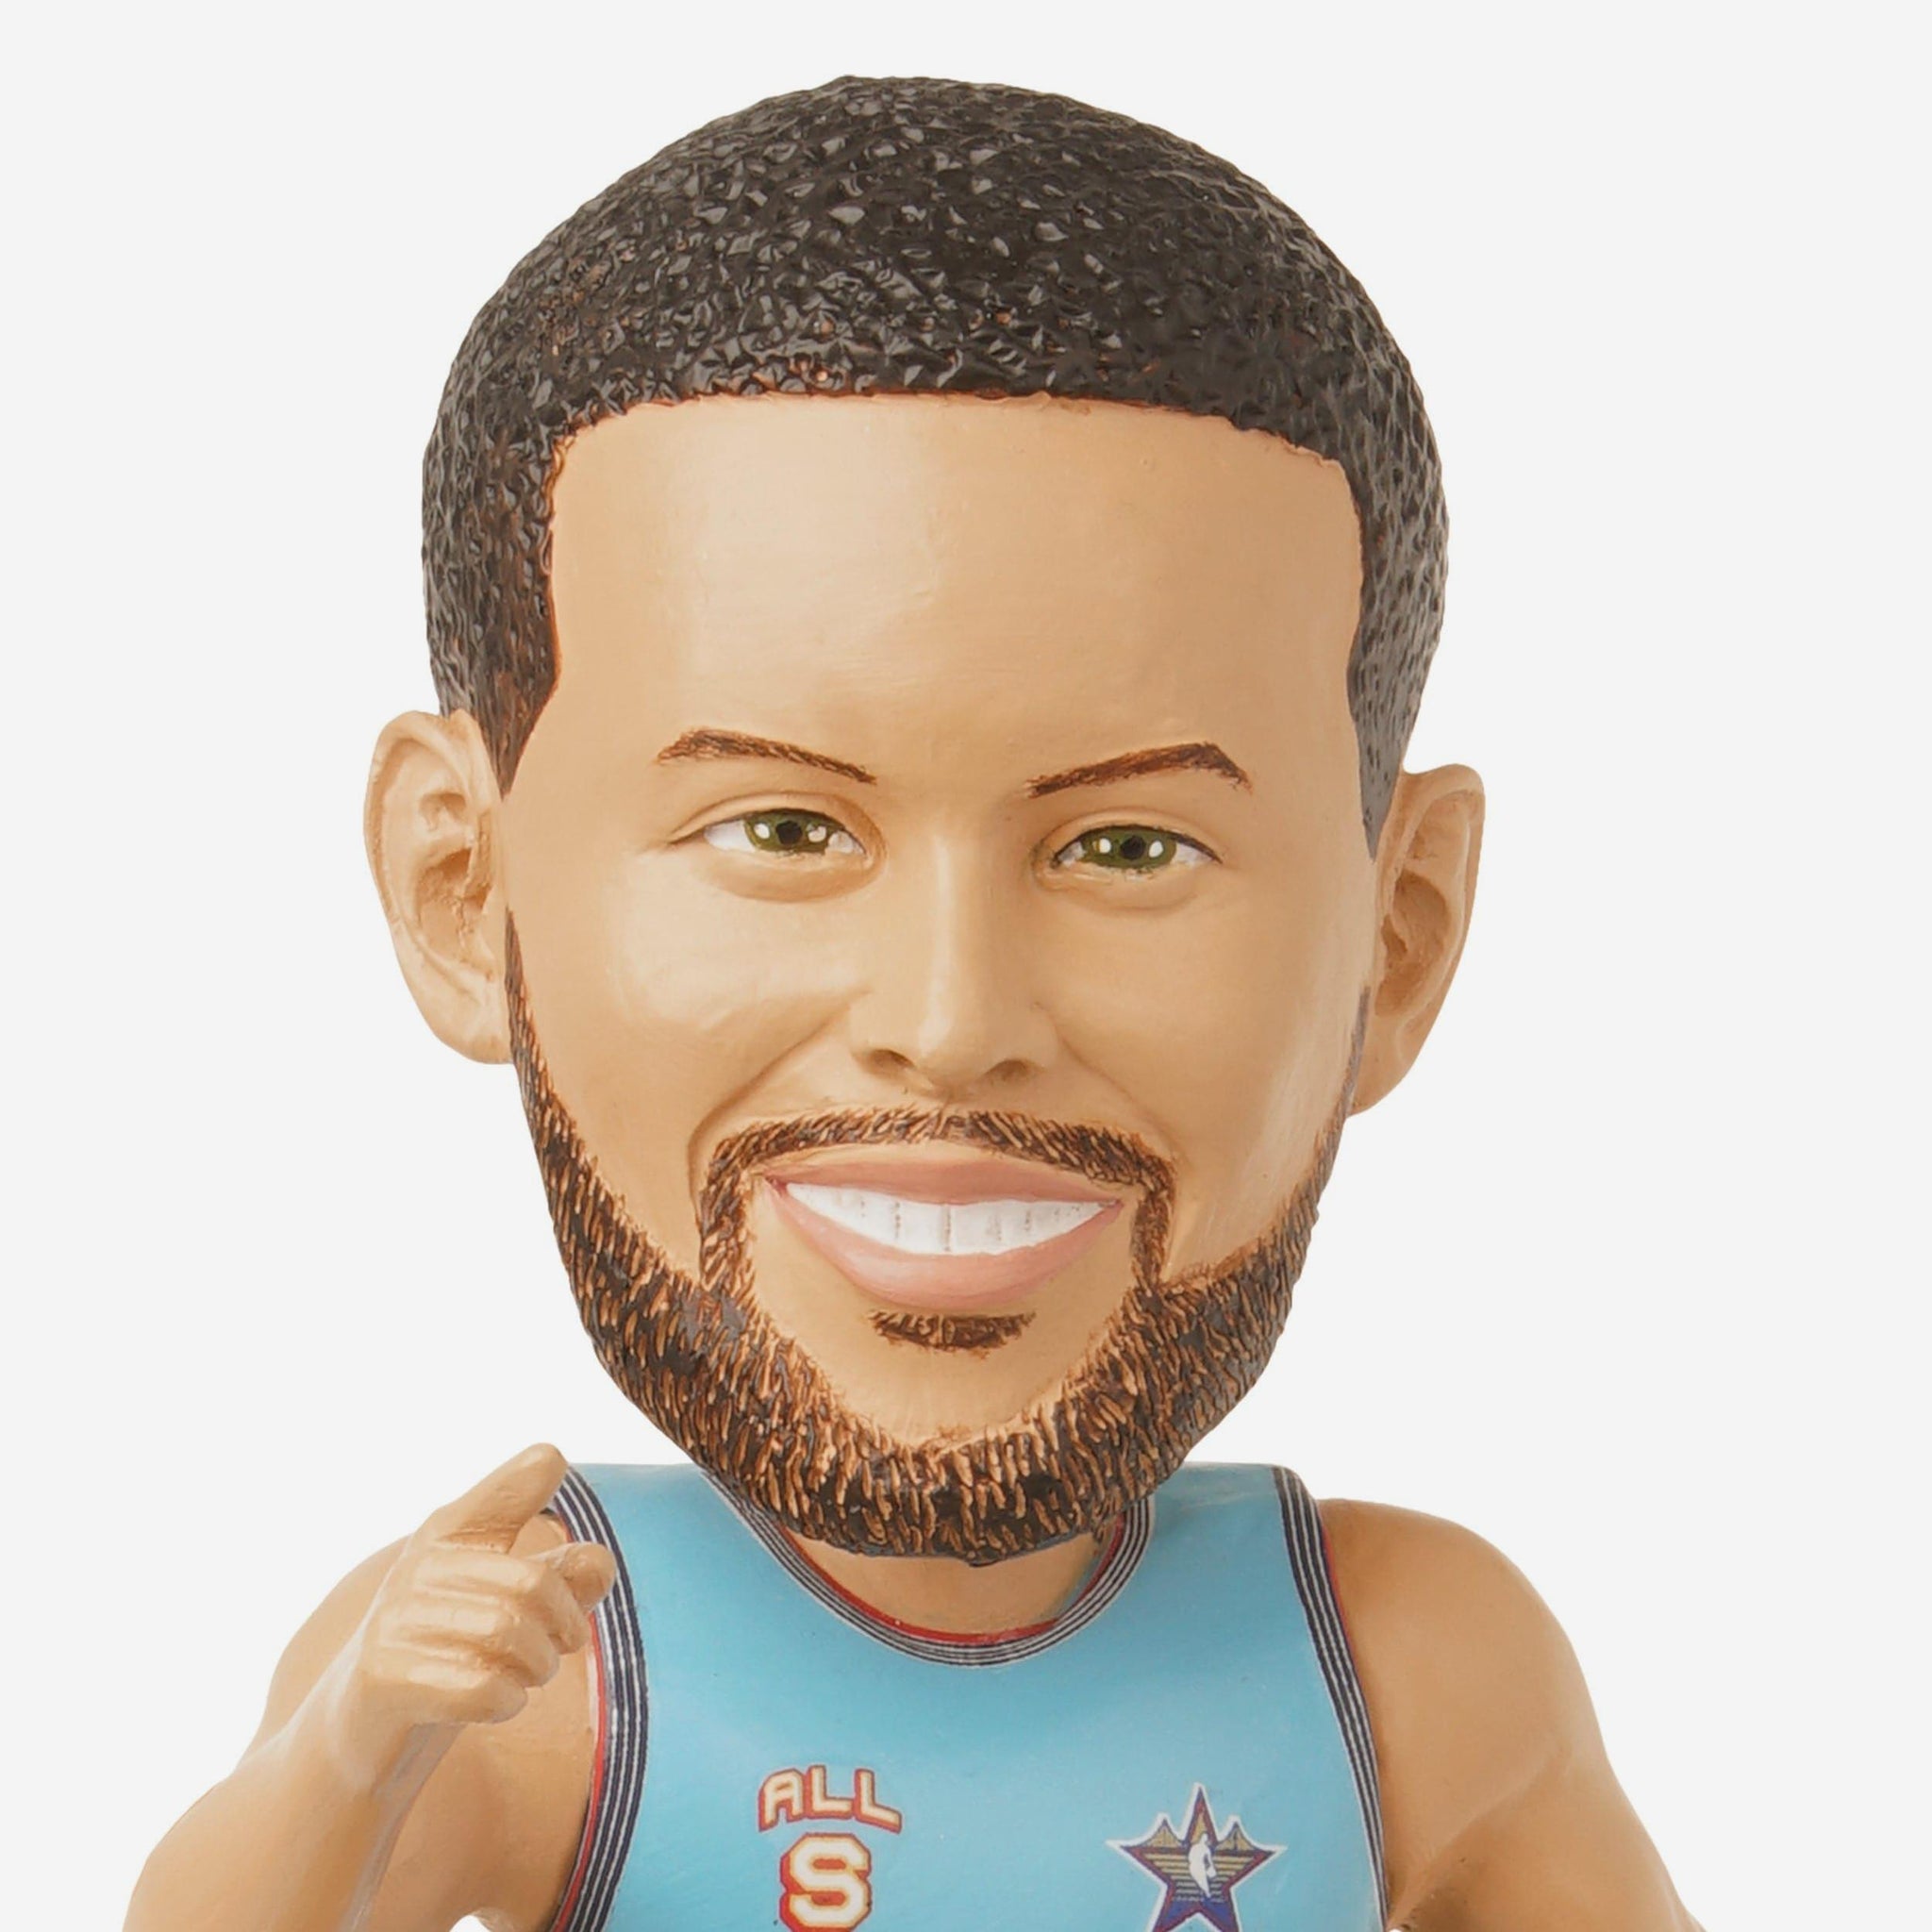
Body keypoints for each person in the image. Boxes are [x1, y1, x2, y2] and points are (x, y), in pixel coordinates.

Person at [125, 75, 1701, 1932]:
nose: (952, 1022)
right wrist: (355, 1749)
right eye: (783, 830)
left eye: (1128, 849)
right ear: (466, 891)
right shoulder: (542, 1665)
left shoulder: (1415, 1677)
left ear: (1398, 935)